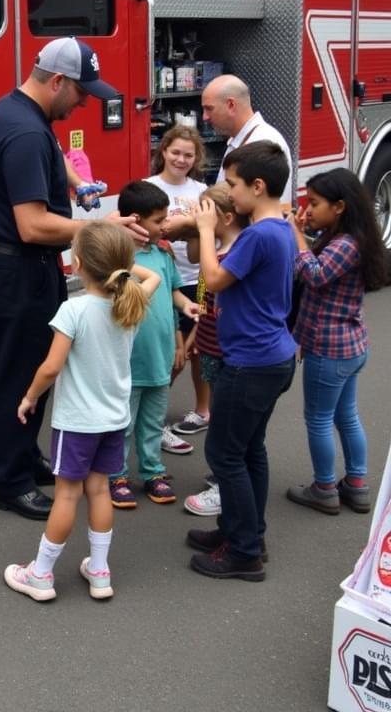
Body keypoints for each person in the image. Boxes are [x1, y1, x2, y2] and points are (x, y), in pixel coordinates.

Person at [0, 36, 140, 519]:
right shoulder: (24, 132)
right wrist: (99, 226)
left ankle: (23, 456)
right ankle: (9, 481)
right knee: (19, 373)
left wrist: (74, 183)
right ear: (58, 81)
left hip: (14, 262)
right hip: (18, 265)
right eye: (82, 92)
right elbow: (32, 224)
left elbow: (51, 152)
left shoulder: (20, 112)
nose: (86, 101)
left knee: (27, 362)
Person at [3, 221, 160, 602]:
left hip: (76, 424)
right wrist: (124, 263)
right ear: (122, 264)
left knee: (67, 496)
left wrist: (30, 397)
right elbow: (152, 275)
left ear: (76, 263)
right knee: (99, 490)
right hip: (113, 420)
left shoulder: (72, 309)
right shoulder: (131, 302)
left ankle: (40, 574)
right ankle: (100, 571)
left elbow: (51, 367)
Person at [187, 141, 297, 582]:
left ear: (257, 185)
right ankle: (242, 531)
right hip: (271, 356)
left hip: (250, 361)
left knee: (225, 453)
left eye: (232, 185)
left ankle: (245, 551)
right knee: (250, 449)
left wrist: (207, 229)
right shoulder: (281, 229)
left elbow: (213, 279)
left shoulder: (257, 235)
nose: (228, 194)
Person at [285, 168, 386, 515]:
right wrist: (308, 229)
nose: (308, 209)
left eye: (314, 203)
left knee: (318, 418)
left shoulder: (345, 244)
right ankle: (356, 484)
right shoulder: (347, 235)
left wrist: (297, 234)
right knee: (346, 415)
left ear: (340, 206)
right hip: (350, 346)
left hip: (330, 349)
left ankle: (324, 487)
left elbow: (314, 274)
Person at [107, 181, 199, 509]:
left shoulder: (163, 254)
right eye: (159, 220)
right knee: (124, 423)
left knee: (151, 422)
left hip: (159, 358)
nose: (165, 226)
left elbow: (172, 291)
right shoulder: (118, 255)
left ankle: (152, 471)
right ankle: (115, 474)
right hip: (128, 361)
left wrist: (184, 311)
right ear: (135, 219)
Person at [182, 182, 248, 517]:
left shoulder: (231, 255)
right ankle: (226, 476)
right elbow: (208, 302)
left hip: (227, 353)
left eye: (205, 211)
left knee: (226, 428)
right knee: (223, 419)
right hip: (209, 343)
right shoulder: (216, 245)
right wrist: (195, 336)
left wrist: (203, 230)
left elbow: (215, 281)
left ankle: (226, 486)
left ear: (224, 217)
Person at [146, 125, 209, 450]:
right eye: (176, 152)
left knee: (200, 350)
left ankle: (202, 410)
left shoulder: (202, 190)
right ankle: (153, 420)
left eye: (188, 154)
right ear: (163, 152)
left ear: (197, 157)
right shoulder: (147, 187)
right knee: (171, 353)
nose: (181, 159)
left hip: (197, 279)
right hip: (163, 281)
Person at [200, 75, 294, 205]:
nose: (205, 117)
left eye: (209, 108)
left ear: (231, 105)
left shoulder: (264, 143)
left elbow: (270, 208)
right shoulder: (240, 139)